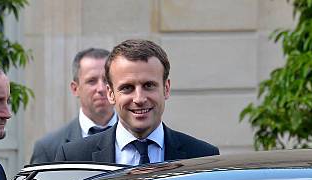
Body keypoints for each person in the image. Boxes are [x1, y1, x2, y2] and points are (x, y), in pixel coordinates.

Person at [55, 39, 219, 164]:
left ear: (166, 88)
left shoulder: (202, 157)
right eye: (127, 88)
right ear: (111, 93)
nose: (139, 99)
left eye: (149, 85)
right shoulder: (73, 158)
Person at [30, 48, 117, 164]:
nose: (101, 88)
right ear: (75, 88)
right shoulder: (48, 148)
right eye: (92, 81)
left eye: (106, 80)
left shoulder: (139, 137)